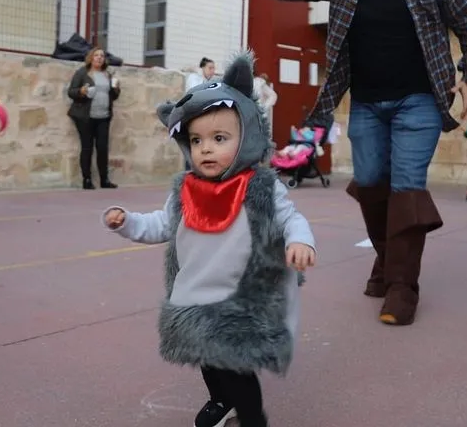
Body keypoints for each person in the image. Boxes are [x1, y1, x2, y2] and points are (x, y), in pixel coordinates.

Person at [257, 0, 467, 326]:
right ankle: (387, 259)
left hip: (419, 101)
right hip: (365, 102)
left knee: (406, 186)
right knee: (369, 183)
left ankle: (403, 286)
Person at [101, 52, 316, 427]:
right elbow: (161, 225)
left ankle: (252, 417)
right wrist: (127, 222)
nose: (206, 148)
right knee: (204, 353)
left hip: (240, 296)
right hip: (196, 291)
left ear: (247, 135)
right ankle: (221, 401)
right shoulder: (186, 190)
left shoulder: (260, 187)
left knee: (233, 362)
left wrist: (300, 242)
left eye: (219, 138)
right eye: (197, 140)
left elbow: (290, 218)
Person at [67, 48, 121, 190]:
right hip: (85, 117)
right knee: (87, 147)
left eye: (102, 56)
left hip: (104, 117)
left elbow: (114, 97)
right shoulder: (82, 73)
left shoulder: (107, 75)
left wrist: (116, 89)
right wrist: (81, 91)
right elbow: (71, 92)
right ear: (91, 58)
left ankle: (104, 180)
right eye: (96, 55)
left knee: (103, 148)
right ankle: (87, 179)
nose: (99, 58)